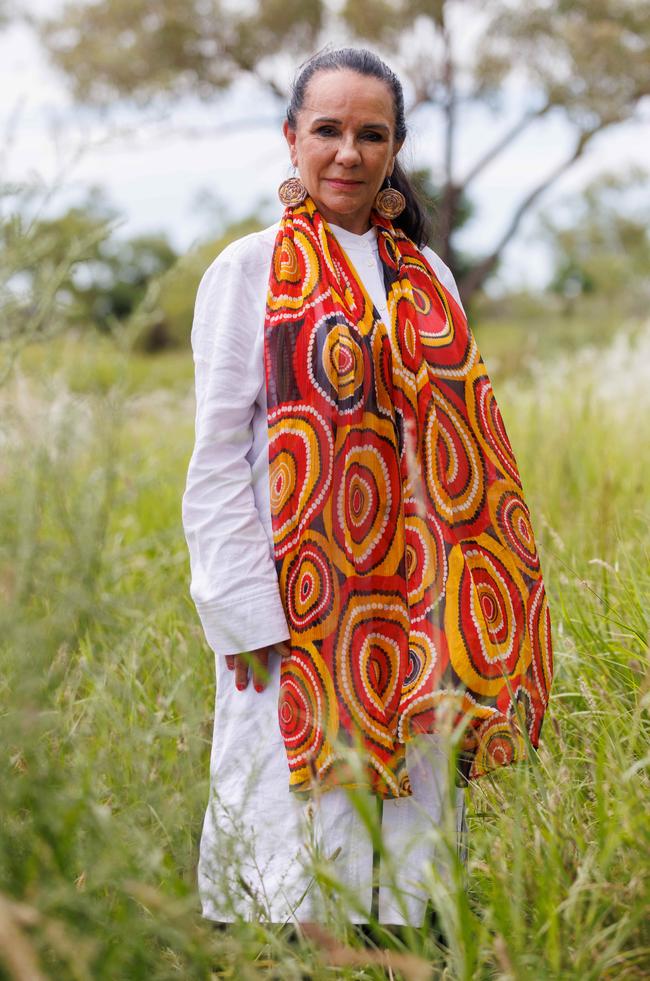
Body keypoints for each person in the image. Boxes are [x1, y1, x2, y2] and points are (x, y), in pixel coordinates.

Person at [182, 47, 554, 931]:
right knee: (293, 839)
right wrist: (244, 611)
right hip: (299, 599)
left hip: (422, 593)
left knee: (410, 847)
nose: (347, 152)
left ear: (394, 149)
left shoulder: (429, 278)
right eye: (328, 130)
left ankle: (401, 939)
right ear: (291, 138)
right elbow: (217, 458)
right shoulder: (248, 271)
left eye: (370, 134)